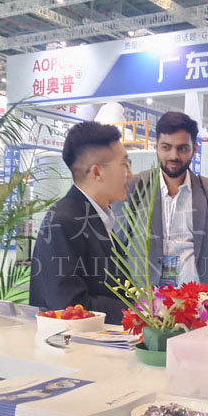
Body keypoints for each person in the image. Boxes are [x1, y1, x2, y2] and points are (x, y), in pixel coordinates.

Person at [29, 122, 131, 324]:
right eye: (124, 164)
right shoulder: (63, 220)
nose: (130, 174)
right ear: (96, 173)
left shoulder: (98, 217)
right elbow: (70, 306)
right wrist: (138, 311)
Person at [120, 111, 208, 289]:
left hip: (197, 299)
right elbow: (118, 246)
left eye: (182, 148)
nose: (174, 156)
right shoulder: (135, 188)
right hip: (146, 298)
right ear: (156, 146)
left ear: (194, 148)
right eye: (166, 147)